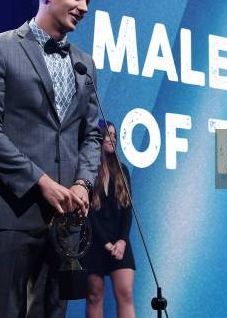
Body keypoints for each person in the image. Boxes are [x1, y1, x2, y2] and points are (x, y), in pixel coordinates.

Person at [0, 0, 102, 318]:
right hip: (14, 210)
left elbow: (91, 133)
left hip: (66, 219)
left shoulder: (84, 64)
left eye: (87, 0)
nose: (84, 7)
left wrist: (83, 183)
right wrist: (41, 182)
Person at [84, 120, 136, 318]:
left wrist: (122, 240)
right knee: (94, 295)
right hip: (94, 242)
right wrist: (105, 243)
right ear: (97, 137)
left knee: (126, 294)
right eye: (108, 134)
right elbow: (89, 213)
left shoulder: (122, 170)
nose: (113, 139)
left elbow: (127, 210)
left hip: (120, 242)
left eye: (115, 135)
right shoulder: (87, 170)